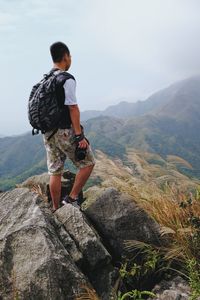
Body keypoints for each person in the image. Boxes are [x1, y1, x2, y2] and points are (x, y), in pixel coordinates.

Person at [43, 41, 95, 212]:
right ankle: (71, 199)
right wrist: (79, 136)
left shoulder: (46, 80)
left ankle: (56, 208)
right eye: (70, 56)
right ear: (65, 56)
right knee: (88, 163)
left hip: (48, 132)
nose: (70, 59)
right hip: (64, 131)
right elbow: (72, 107)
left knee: (55, 171)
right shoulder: (66, 79)